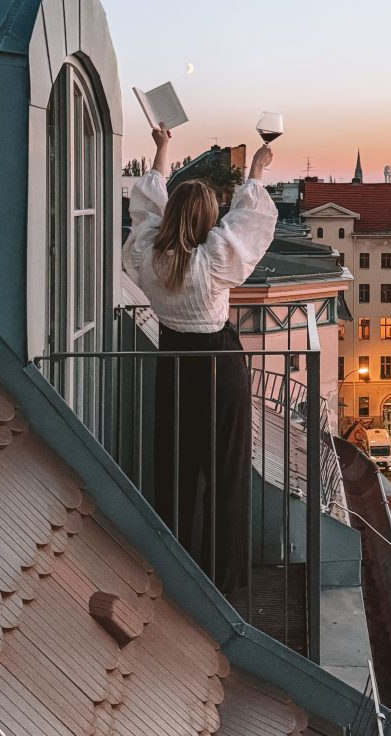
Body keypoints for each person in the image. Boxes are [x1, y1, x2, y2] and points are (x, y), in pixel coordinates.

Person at [122, 123, 277, 594]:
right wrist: (255, 172)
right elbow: (245, 223)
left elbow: (147, 207)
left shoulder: (150, 256)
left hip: (173, 360)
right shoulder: (210, 262)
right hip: (217, 362)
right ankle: (225, 581)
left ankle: (173, 571)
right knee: (226, 471)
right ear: (208, 217)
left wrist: (162, 149)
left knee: (174, 466)